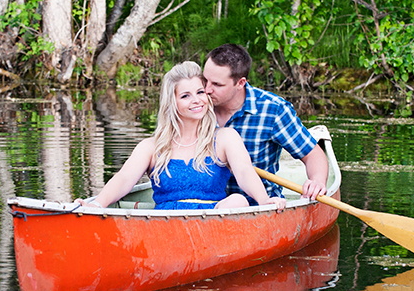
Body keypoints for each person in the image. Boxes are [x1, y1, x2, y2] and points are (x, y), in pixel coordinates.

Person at [77, 61, 286, 211]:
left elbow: (244, 172)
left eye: (200, 92)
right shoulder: (152, 147)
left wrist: (263, 199)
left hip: (214, 221)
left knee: (238, 200)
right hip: (167, 224)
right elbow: (124, 179)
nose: (196, 100)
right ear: (172, 102)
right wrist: (98, 203)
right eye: (186, 96)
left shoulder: (225, 138)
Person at [202, 44, 328, 201]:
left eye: (217, 84)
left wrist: (316, 181)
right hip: (207, 206)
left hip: (262, 206)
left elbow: (312, 154)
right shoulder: (197, 106)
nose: (206, 90)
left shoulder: (273, 110)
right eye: (204, 80)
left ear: (240, 83)